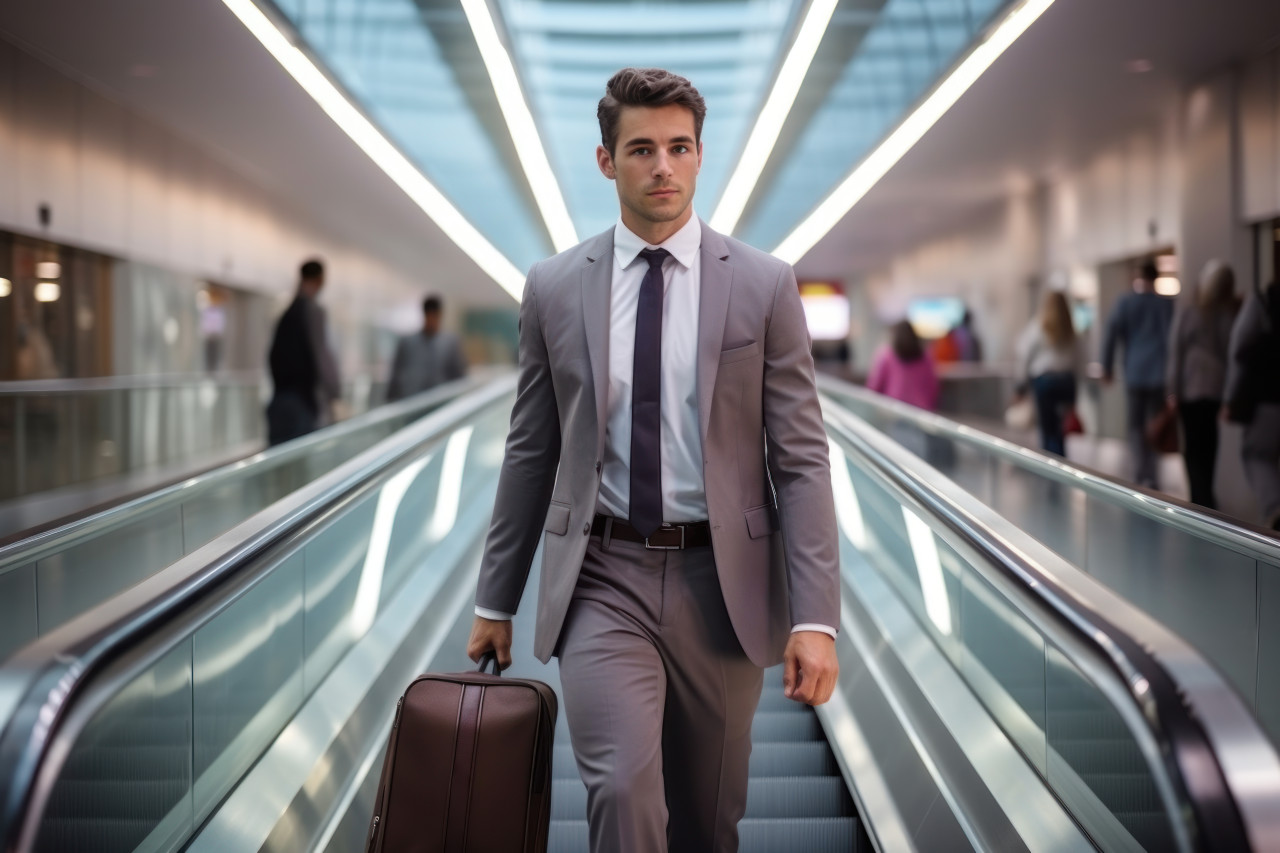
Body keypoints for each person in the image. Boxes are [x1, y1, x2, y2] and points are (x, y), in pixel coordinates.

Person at [465, 68, 840, 853]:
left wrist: (815, 619)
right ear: (607, 161)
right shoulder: (556, 287)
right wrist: (494, 598)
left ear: (701, 157)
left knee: (709, 820)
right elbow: (531, 451)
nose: (662, 165)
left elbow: (801, 460)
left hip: (723, 583)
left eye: (679, 147)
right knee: (624, 792)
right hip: (603, 576)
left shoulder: (765, 287)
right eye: (641, 149)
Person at [1166, 260, 1240, 509]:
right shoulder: (1227, 316)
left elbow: (1176, 353)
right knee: (1208, 446)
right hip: (1214, 390)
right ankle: (1204, 499)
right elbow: (1231, 355)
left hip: (1191, 390)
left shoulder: (1190, 312)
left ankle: (1201, 501)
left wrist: (1172, 390)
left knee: (1194, 450)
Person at [1101, 259, 1175, 488]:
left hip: (1134, 372)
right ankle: (1152, 475)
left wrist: (1107, 366)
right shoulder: (1165, 305)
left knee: (1135, 425)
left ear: (1137, 277)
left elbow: (1110, 334)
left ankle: (1139, 472)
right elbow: (1171, 339)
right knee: (1154, 425)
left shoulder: (1125, 303)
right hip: (1159, 374)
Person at [265, 259, 340, 446]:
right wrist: (334, 393)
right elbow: (321, 355)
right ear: (320, 280)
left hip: (280, 399)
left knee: (280, 460)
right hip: (301, 402)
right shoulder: (313, 311)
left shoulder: (288, 312)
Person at [1225, 279, 1280, 531]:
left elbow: (1239, 347)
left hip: (1267, 396)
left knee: (1257, 455)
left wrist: (1231, 398)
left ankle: (1274, 509)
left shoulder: (1263, 300)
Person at [1016, 291, 1082, 457]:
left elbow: (1024, 355)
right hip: (1067, 382)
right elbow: (1080, 358)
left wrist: (1020, 384)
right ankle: (1061, 460)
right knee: (1062, 429)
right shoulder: (1071, 329)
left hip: (1045, 382)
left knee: (1047, 429)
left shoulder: (1038, 326)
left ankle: (1050, 465)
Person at [386, 295, 467, 401]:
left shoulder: (450, 343)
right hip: (412, 402)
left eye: (435, 316)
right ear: (424, 314)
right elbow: (396, 374)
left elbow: (459, 376)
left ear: (440, 316)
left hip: (440, 402)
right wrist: (390, 399)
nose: (432, 321)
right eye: (429, 316)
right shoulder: (407, 342)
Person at [867, 320, 940, 411]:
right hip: (920, 411)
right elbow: (932, 387)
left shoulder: (886, 355)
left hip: (894, 409)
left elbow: (875, 386)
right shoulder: (925, 356)